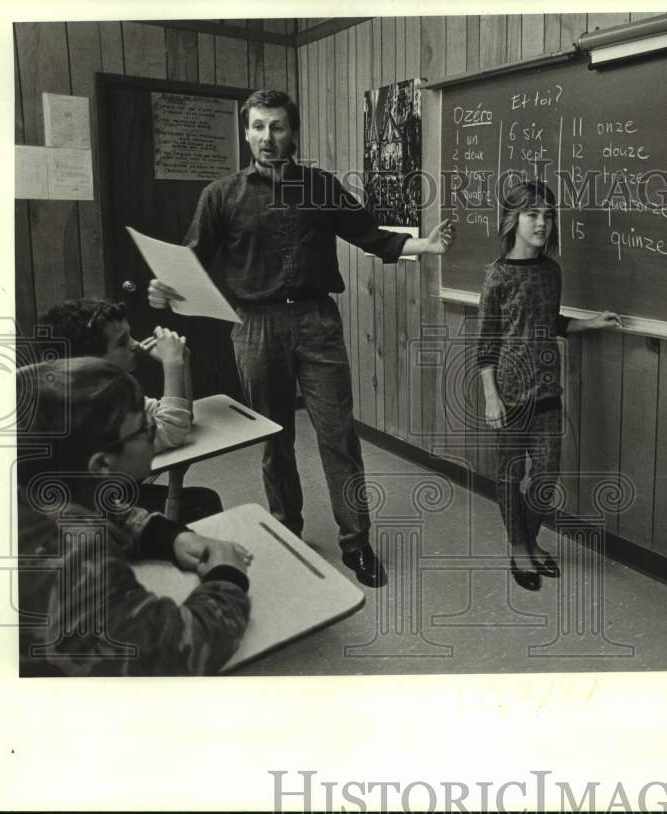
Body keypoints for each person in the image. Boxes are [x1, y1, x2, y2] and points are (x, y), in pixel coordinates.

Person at [147, 89, 454, 588]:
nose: (268, 138)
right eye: (258, 127)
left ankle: (357, 542)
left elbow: (370, 235)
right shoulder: (220, 195)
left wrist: (426, 244)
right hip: (255, 326)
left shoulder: (321, 186)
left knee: (339, 436)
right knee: (274, 438)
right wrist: (165, 289)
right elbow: (191, 261)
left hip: (317, 323)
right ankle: (286, 528)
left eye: (278, 127)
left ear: (293, 132)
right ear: (245, 132)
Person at [16, 357, 252, 676]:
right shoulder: (74, 553)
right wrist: (227, 577)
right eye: (144, 426)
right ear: (102, 465)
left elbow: (98, 506)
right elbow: (177, 652)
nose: (154, 428)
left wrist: (168, 536)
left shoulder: (28, 484)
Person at [476, 179, 621, 591]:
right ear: (513, 219)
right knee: (510, 473)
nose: (542, 223)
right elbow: (486, 344)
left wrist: (589, 323)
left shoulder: (551, 272)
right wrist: (491, 396)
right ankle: (519, 548)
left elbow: (547, 321)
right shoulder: (498, 276)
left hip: (547, 390)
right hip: (508, 392)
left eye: (548, 216)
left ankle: (530, 538)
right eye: (532, 214)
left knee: (545, 475)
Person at [39, 297, 223, 523]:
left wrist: (182, 361)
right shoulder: (85, 408)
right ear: (87, 362)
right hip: (90, 513)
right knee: (202, 504)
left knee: (202, 500)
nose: (135, 345)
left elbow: (181, 417)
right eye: (121, 342)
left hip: (108, 497)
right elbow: (173, 430)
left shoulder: (109, 391)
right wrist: (172, 366)